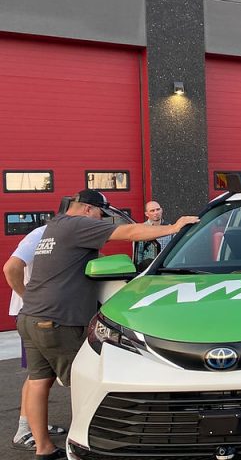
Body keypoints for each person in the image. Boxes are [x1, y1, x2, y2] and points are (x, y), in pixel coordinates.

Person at [18, 190, 198, 459]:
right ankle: (87, 446)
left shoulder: (54, 226)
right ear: (89, 209)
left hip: (31, 315)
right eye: (100, 214)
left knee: (38, 381)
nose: (100, 219)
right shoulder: (80, 224)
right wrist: (173, 227)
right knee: (84, 381)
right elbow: (129, 233)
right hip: (59, 319)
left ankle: (43, 448)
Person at [3, 225, 67, 450]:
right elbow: (11, 267)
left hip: (43, 312)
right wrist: (28, 300)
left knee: (43, 375)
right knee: (37, 375)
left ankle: (34, 423)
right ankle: (23, 430)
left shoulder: (60, 233)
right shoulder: (41, 233)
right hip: (33, 314)